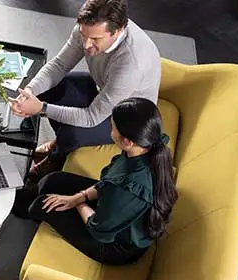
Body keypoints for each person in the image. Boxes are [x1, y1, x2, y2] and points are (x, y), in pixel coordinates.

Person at [9, 0, 161, 182]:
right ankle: (58, 145)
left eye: (96, 40)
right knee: (53, 88)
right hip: (103, 90)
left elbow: (91, 118)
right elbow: (59, 64)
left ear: (118, 31)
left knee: (72, 132)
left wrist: (41, 108)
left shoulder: (130, 63)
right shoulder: (87, 29)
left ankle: (56, 157)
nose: (87, 45)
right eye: (83, 35)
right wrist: (30, 92)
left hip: (127, 118)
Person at [15, 97, 177, 265]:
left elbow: (99, 229)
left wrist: (77, 203)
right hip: (114, 211)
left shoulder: (128, 189)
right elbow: (108, 184)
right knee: (53, 180)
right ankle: (15, 197)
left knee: (41, 205)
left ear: (127, 141)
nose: (109, 129)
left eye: (112, 127)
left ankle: (18, 206)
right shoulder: (143, 147)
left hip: (114, 244)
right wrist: (79, 197)